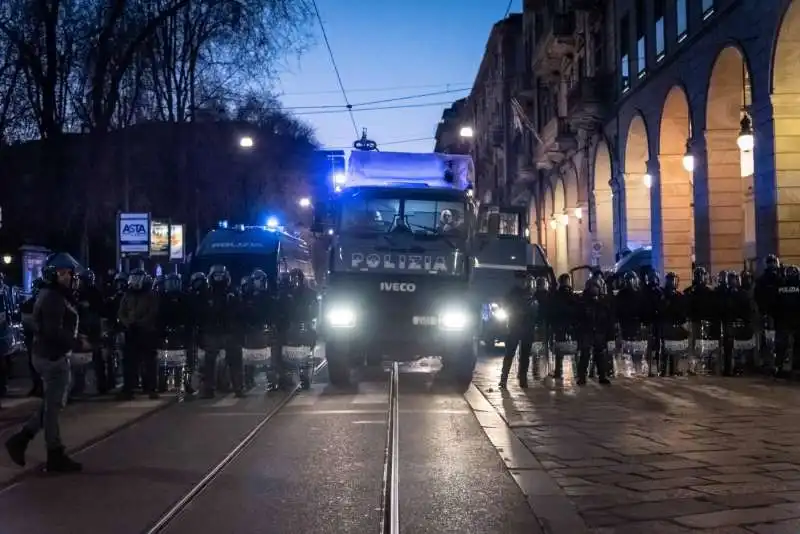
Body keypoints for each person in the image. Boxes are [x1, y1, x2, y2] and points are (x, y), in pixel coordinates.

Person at [4, 258, 85, 472]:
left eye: (70, 273)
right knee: (52, 408)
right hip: (51, 357)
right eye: (64, 273)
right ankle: (53, 453)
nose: (70, 277)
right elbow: (53, 331)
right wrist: (77, 342)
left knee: (52, 403)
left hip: (49, 354)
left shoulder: (54, 295)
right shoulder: (53, 297)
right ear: (53, 275)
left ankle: (21, 439)